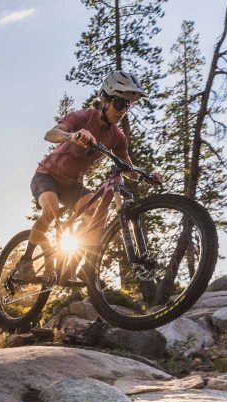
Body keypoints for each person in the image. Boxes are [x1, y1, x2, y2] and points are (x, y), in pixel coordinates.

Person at [17, 69, 163, 279]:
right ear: (104, 99)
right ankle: (26, 261)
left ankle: (77, 267)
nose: (123, 110)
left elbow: (127, 167)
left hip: (73, 185)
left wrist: (147, 176)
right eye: (119, 104)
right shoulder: (82, 116)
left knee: (94, 212)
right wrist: (72, 135)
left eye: (128, 106)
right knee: (51, 212)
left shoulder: (117, 136)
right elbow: (50, 134)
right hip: (47, 176)